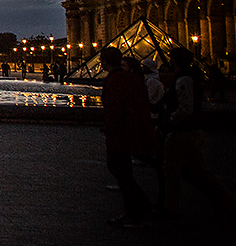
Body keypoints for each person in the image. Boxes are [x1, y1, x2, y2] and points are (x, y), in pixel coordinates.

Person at [161, 47, 236, 221]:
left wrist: (169, 121)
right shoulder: (193, 76)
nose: (170, 61)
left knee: (171, 172)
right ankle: (229, 203)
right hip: (193, 131)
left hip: (181, 133)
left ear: (176, 61)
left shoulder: (184, 79)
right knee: (203, 173)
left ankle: (170, 210)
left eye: (171, 59)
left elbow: (186, 108)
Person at [99, 47, 160, 227]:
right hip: (135, 128)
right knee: (124, 171)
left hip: (120, 133)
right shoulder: (133, 77)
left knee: (119, 170)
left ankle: (136, 211)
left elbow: (114, 108)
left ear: (105, 61)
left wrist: (109, 127)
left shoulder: (114, 80)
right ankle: (142, 207)